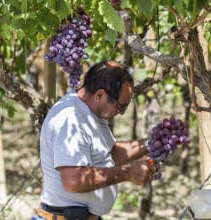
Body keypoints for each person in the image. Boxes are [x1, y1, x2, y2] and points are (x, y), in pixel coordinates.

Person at [35, 61, 157, 220]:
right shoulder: (71, 120)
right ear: (100, 95)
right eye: (121, 107)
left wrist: (152, 143)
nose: (121, 113)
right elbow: (74, 179)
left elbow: (110, 154)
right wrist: (127, 172)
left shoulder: (91, 112)